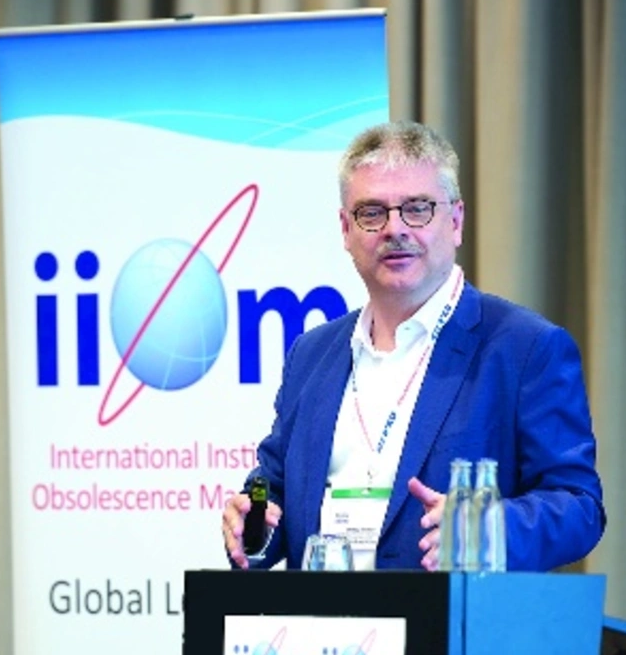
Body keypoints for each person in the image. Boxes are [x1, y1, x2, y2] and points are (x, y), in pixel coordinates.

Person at [221, 121, 605, 572]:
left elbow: (578, 506)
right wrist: (252, 524)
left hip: (447, 614)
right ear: (345, 229)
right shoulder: (311, 354)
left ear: (456, 221)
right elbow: (274, 492)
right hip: (322, 616)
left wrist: (491, 528)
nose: (394, 228)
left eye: (417, 209)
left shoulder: (525, 349)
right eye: (371, 213)